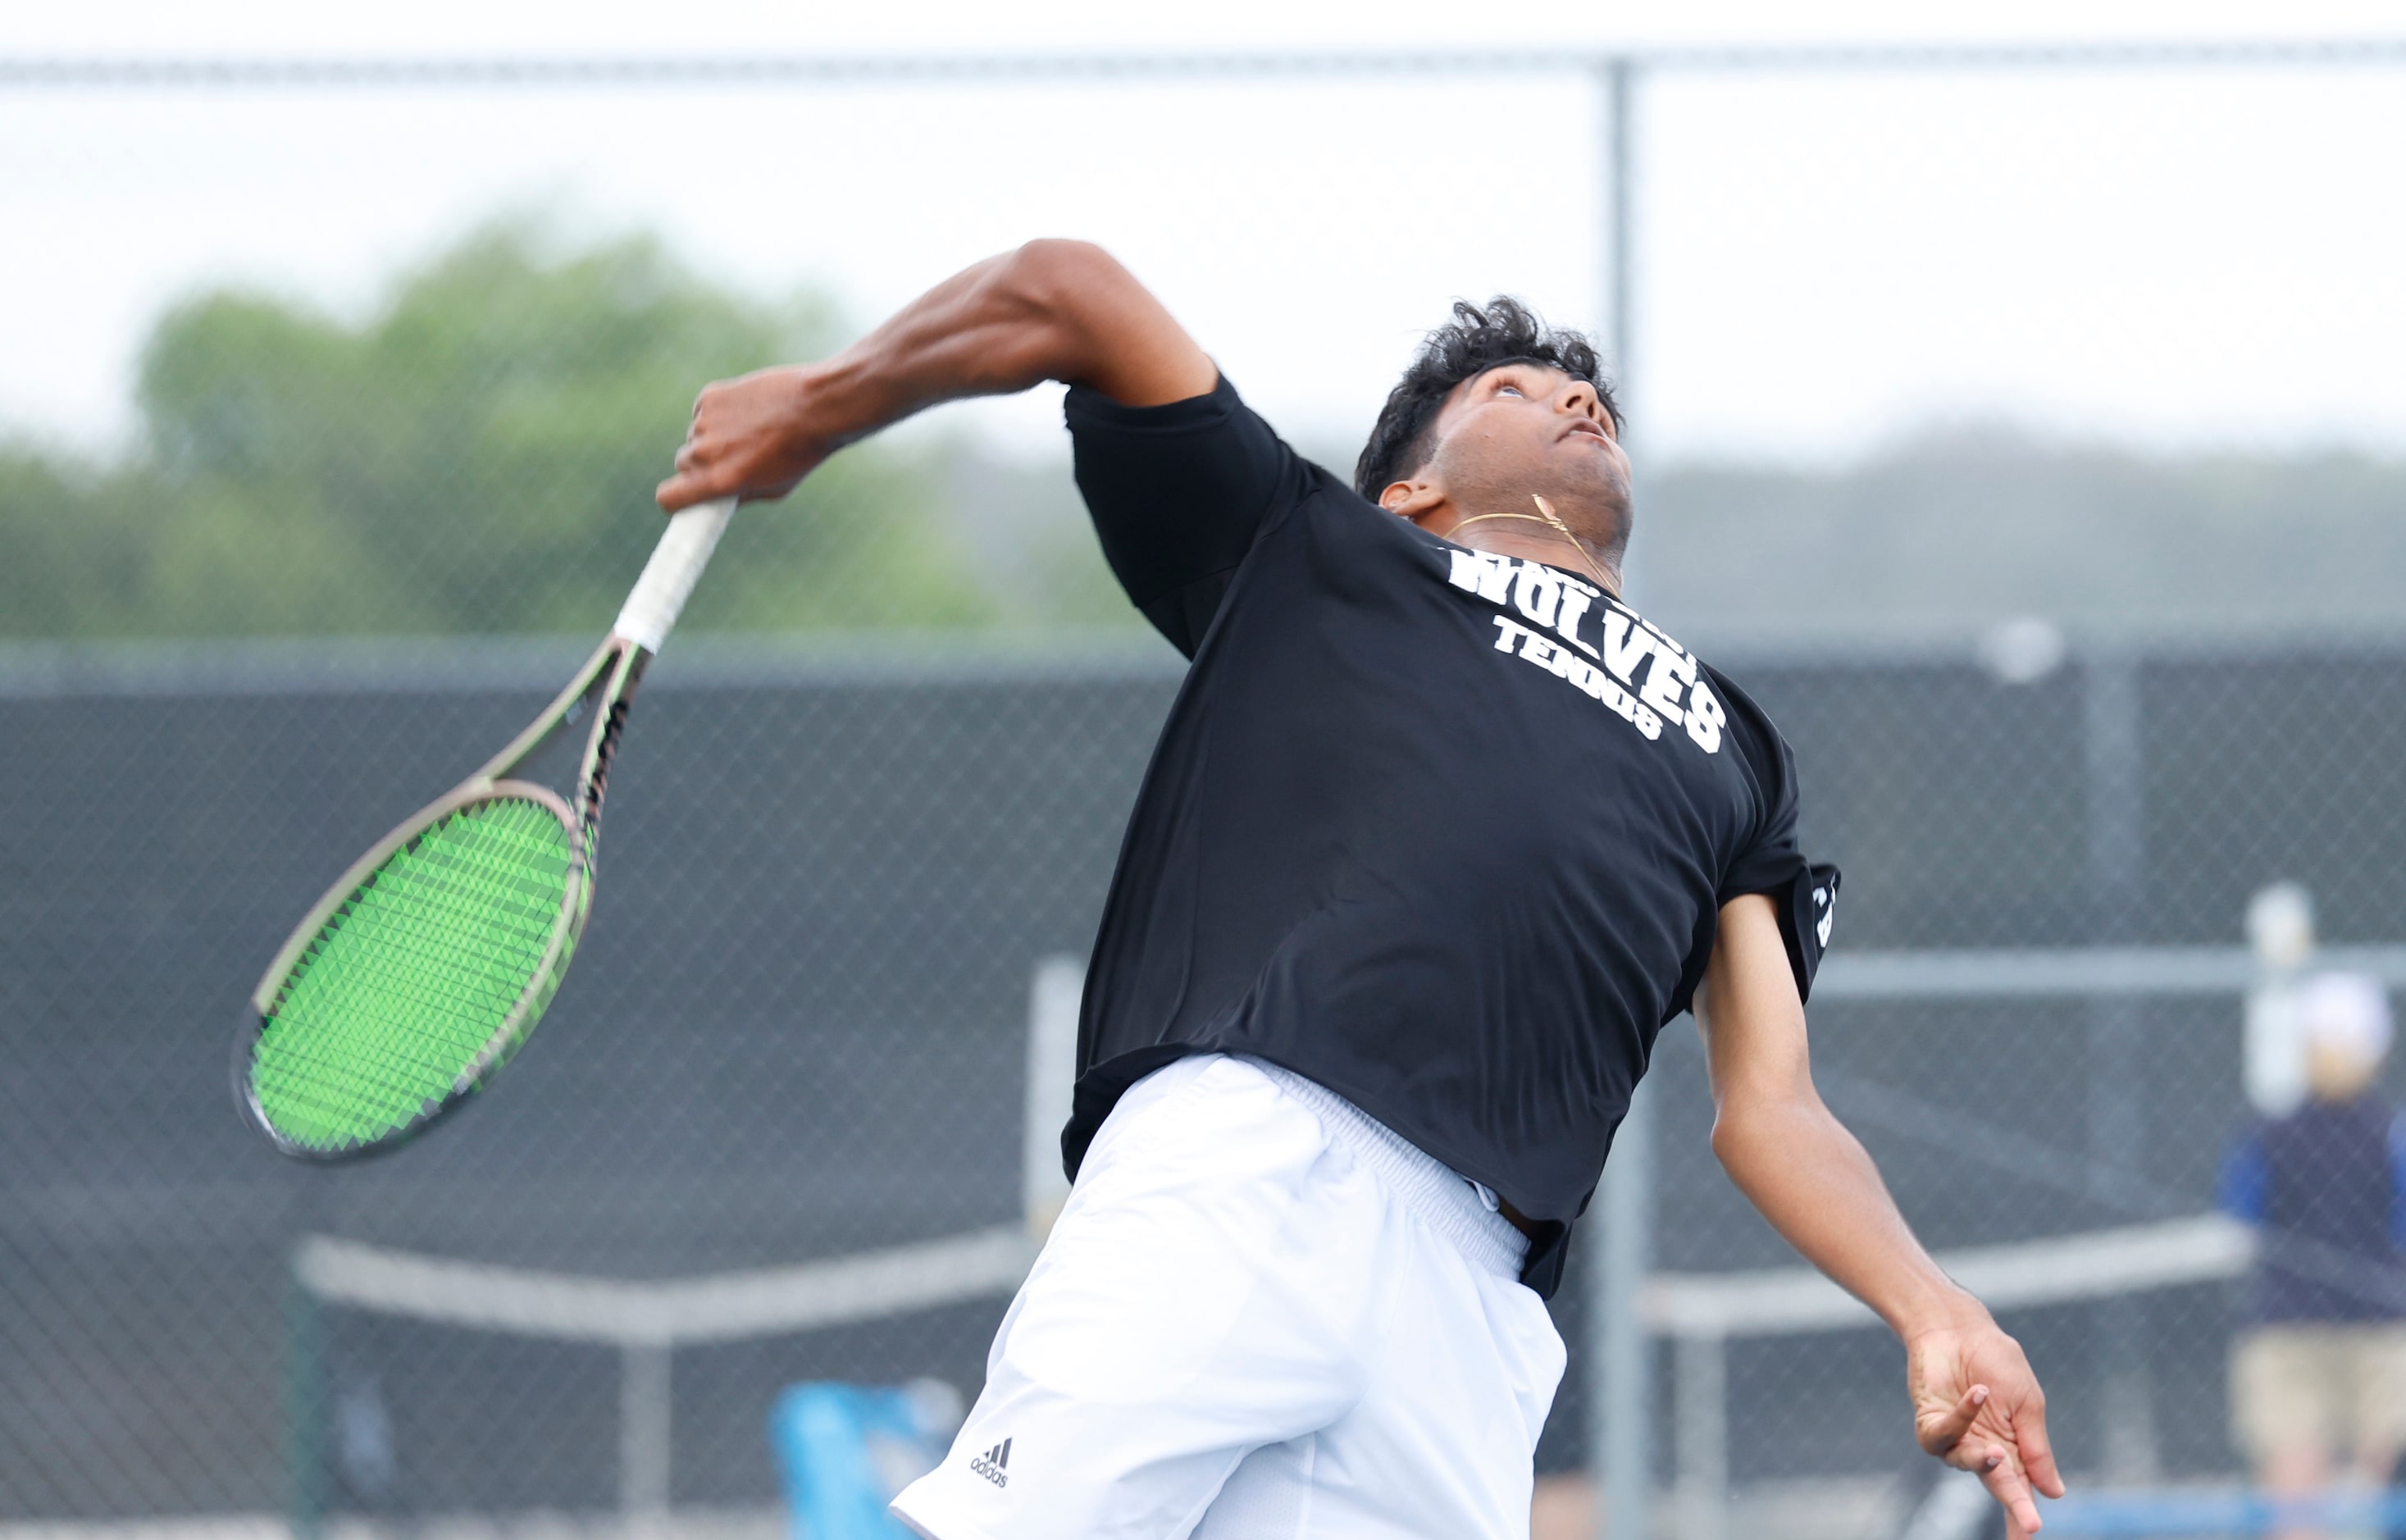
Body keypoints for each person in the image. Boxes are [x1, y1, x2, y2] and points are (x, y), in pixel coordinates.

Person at [657, 240, 2060, 1540]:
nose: (1574, 399)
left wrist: (1931, 1307)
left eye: (1591, 397)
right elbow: (1066, 292)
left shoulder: (1731, 744)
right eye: (1515, 389)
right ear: (1412, 489)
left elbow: (1772, 1107)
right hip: (1252, 1155)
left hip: (1469, 1297)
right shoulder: (1324, 558)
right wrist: (827, 403)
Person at [2221, 972, 2406, 1534]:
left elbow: (2237, 1216)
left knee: (2366, 1468)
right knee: (2313, 1473)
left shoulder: (2268, 1133)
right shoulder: (2389, 1132)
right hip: (2317, 1328)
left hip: (2347, 1325)